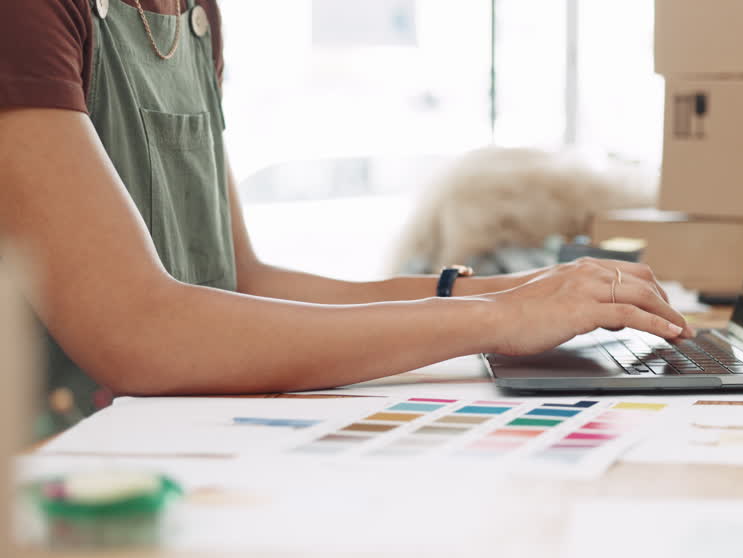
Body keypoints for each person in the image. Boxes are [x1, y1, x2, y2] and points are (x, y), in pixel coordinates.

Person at [0, 0, 691, 438]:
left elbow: (244, 279)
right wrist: (499, 321)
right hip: (57, 472)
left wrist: (525, 293)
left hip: (168, 443)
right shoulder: (29, 16)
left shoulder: (193, 13)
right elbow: (137, 330)